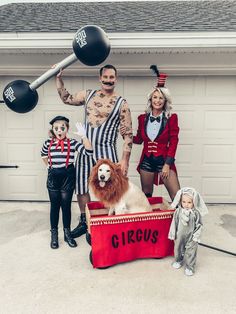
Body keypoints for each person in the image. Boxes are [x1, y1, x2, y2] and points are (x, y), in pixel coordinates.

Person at [55, 64, 133, 238]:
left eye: (111, 77)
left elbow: (128, 135)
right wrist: (58, 79)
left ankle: (106, 221)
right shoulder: (88, 94)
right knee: (82, 186)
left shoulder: (122, 103)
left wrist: (125, 160)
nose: (108, 80)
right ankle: (86, 221)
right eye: (105, 77)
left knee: (110, 189)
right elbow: (66, 98)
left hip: (106, 154)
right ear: (100, 78)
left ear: (116, 79)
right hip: (84, 151)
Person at [41, 116, 93, 249]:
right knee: (54, 206)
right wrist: (48, 166)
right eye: (56, 128)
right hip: (53, 176)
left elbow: (89, 151)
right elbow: (43, 155)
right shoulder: (48, 143)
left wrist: (84, 136)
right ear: (52, 130)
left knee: (66, 206)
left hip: (68, 176)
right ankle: (54, 235)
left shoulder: (72, 142)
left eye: (62, 128)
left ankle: (67, 233)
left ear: (67, 129)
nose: (59, 130)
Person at [133, 66, 180, 201]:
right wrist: (127, 135)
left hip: (164, 160)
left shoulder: (171, 118)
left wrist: (167, 164)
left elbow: (174, 141)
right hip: (147, 160)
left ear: (165, 100)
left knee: (176, 196)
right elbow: (139, 139)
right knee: (147, 196)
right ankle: (150, 221)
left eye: (161, 98)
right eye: (155, 97)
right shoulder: (142, 118)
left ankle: (180, 221)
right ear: (150, 99)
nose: (157, 100)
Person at [168, 187, 208, 276]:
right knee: (178, 248)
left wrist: (196, 236)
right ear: (180, 201)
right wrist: (173, 233)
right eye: (184, 202)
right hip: (180, 236)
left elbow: (199, 225)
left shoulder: (195, 213)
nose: (186, 205)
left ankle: (190, 267)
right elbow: (174, 223)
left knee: (191, 251)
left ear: (194, 202)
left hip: (191, 236)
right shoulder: (178, 212)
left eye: (189, 202)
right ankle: (178, 260)